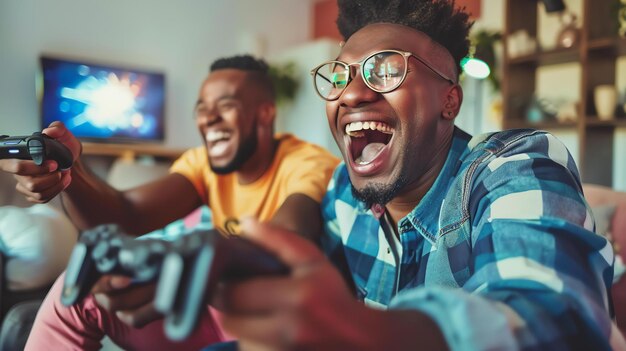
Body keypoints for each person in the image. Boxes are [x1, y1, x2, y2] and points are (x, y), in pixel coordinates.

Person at [205, 1, 625, 350]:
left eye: (385, 69)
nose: (350, 93)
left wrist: (361, 331)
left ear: (449, 100)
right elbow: (297, 262)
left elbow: (552, 319)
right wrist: (219, 259)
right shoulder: (344, 193)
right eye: (340, 75)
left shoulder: (511, 167)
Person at [0, 55, 339, 350]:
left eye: (226, 106)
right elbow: (126, 216)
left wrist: (210, 250)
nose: (208, 119)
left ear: (265, 113)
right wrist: (71, 173)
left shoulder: (307, 161)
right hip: (210, 315)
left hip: (274, 328)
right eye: (202, 109)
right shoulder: (204, 163)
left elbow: (294, 236)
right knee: (79, 287)